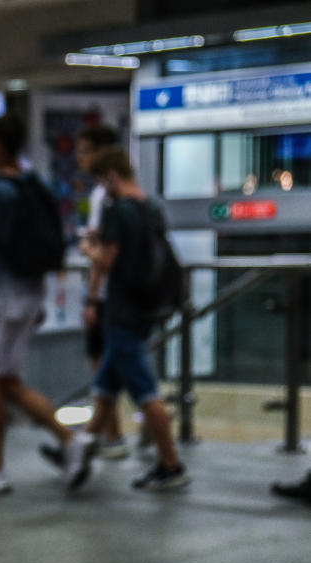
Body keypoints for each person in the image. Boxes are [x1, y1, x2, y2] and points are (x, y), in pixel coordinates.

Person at [0, 114, 94, 495]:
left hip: (1, 293)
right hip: (31, 292)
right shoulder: (37, 186)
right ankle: (70, 441)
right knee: (9, 382)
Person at [77, 148, 189, 491]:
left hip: (122, 308)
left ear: (111, 175)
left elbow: (106, 262)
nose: (101, 187)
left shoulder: (116, 210)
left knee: (144, 390)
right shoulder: (152, 206)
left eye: (101, 179)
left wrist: (88, 251)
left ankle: (171, 464)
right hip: (148, 305)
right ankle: (76, 453)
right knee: (107, 387)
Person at [75, 124, 129, 459]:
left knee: (108, 365)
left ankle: (108, 436)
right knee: (116, 365)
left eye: (84, 150)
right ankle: (110, 434)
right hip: (123, 294)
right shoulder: (122, 193)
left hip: (109, 295)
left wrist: (93, 298)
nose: (79, 158)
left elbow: (103, 255)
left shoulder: (103, 196)